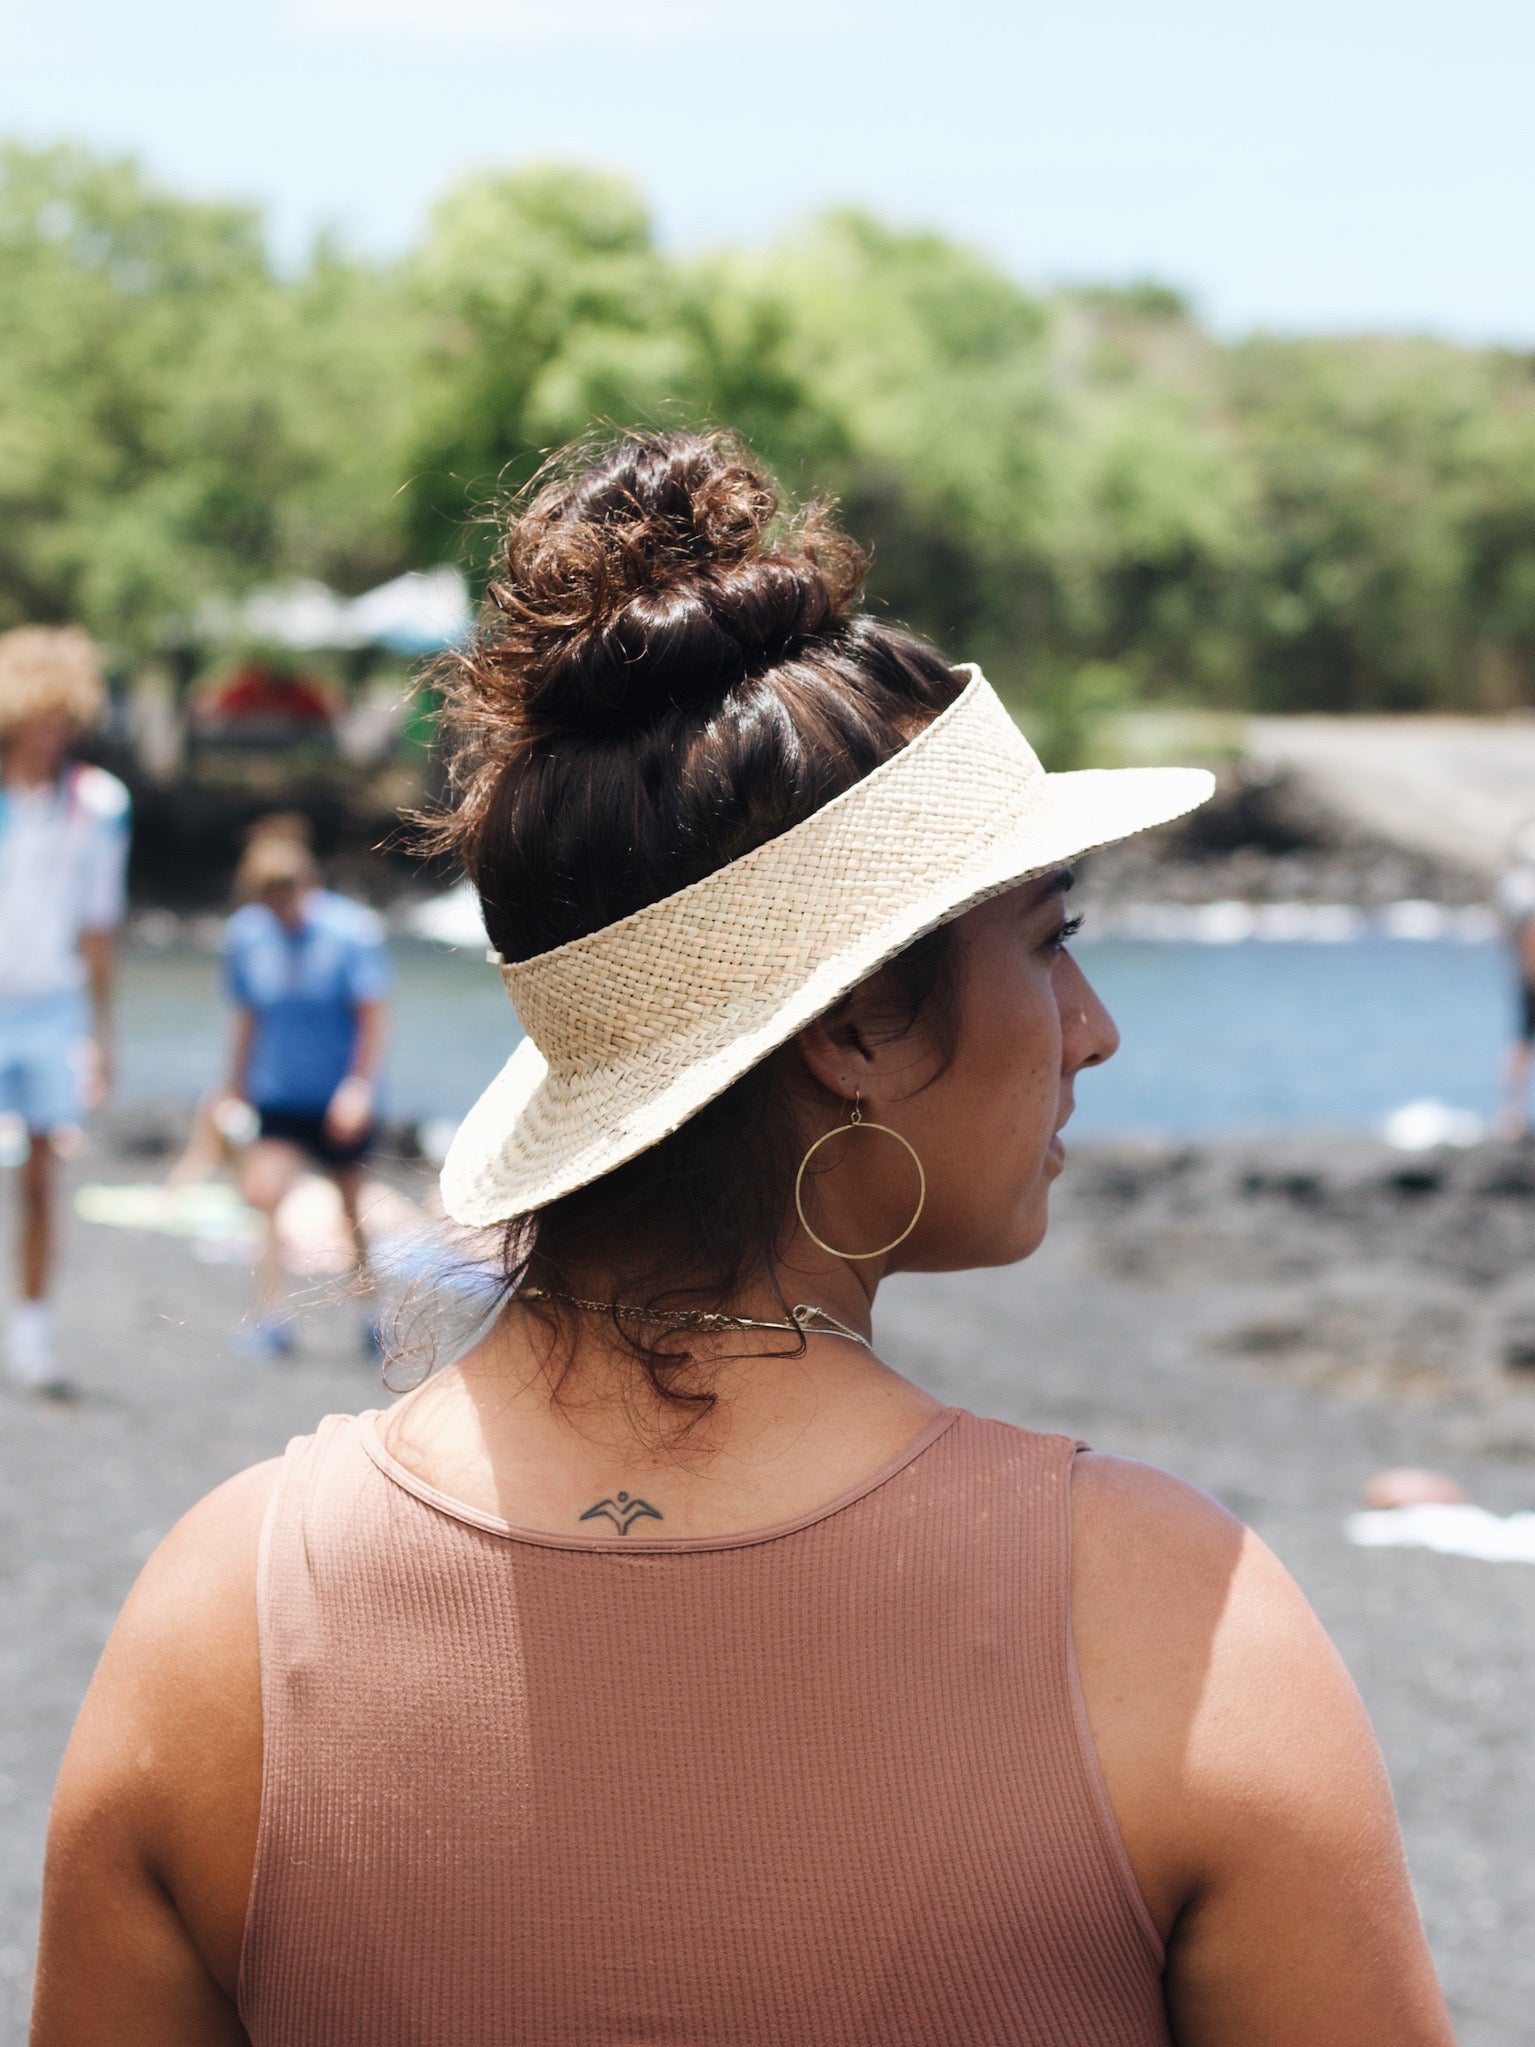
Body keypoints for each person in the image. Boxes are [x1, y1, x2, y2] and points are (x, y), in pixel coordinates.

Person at [34, 432, 1455, 2045]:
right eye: (1051, 941)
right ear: (851, 1019)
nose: (1095, 1027)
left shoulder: (219, 1627)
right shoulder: (1170, 1628)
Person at [0, 626, 129, 1395]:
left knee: (44, 1176)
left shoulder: (99, 805)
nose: (52, 731)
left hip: (53, 1009)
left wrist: (101, 1036)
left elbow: (99, 928)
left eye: (62, 717)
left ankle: (33, 1330)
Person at [219, 815, 391, 1359]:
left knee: (350, 1208)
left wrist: (358, 1088)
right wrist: (232, 1087)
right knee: (265, 1195)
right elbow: (246, 1018)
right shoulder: (246, 937)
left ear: (305, 885)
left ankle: (370, 1315)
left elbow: (372, 1016)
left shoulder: (350, 933)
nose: (281, 907)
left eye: (287, 894)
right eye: (269, 898)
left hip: (337, 1096)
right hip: (279, 1095)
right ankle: (273, 1320)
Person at [1497, 820, 1535, 1135]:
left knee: (1521, 1041)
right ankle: (1512, 1113)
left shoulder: (1512, 884)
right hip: (1529, 973)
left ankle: (1511, 1112)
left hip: (1523, 971)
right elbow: (1527, 932)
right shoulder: (1523, 887)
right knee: (1522, 1042)